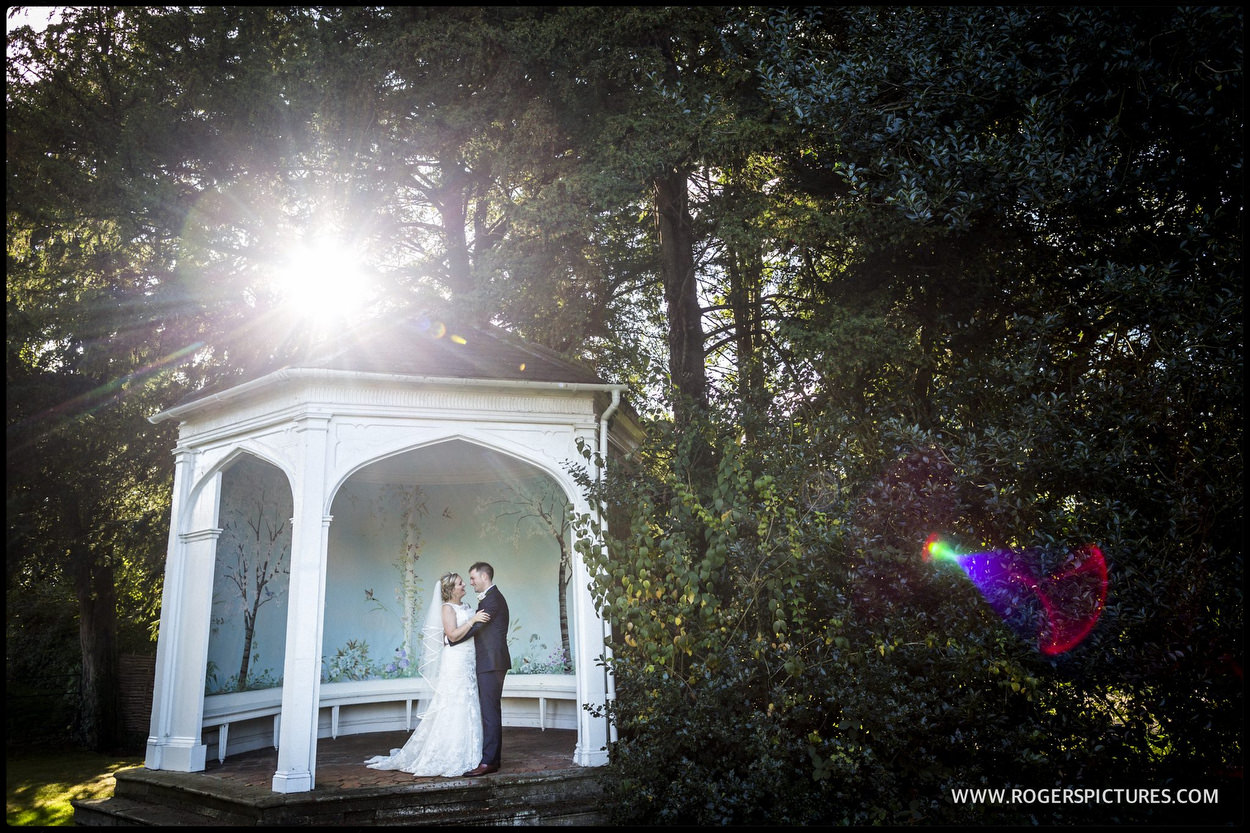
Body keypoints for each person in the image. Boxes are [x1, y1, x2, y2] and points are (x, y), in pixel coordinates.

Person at [364, 572, 490, 777]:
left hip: (469, 660)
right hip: (455, 661)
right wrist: (473, 620)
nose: (464, 585)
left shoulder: (465, 607)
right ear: (450, 590)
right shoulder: (447, 608)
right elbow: (452, 635)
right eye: (460, 584)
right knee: (454, 702)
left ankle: (471, 751)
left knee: (469, 701)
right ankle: (449, 753)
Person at [450, 561, 510, 776]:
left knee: (490, 712)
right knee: (490, 710)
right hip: (490, 662)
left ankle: (489, 762)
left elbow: (476, 627)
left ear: (484, 577)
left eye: (473, 578)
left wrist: (452, 639)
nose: (471, 582)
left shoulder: (492, 600)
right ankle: (493, 758)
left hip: (492, 663)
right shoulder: (491, 598)